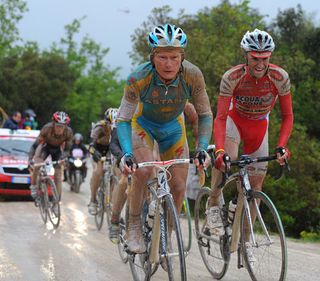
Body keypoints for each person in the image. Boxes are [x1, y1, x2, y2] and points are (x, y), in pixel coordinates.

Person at [117, 23, 213, 253]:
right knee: (143, 171)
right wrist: (128, 154)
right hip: (144, 126)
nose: (169, 63)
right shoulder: (137, 78)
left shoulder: (193, 75)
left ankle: (168, 233)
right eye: (162, 57)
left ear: (182, 57)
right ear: (153, 57)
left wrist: (201, 148)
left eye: (174, 57)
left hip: (173, 128)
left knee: (179, 185)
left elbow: (205, 114)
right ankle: (133, 226)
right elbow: (123, 119)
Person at [207, 29, 293, 265]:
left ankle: (246, 241)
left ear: (270, 56)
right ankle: (214, 200)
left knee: (255, 185)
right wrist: (220, 150)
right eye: (255, 58)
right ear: (246, 55)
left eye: (265, 58)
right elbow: (221, 118)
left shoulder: (280, 77)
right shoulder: (232, 77)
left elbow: (287, 116)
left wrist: (282, 146)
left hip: (259, 127)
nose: (260, 63)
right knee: (228, 158)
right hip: (235, 122)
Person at [29, 111, 73, 200]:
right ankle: (33, 186)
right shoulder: (47, 128)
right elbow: (35, 145)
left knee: (58, 175)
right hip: (45, 147)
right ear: (53, 124)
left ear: (65, 126)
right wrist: (30, 159)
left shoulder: (68, 132)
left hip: (57, 150)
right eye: (57, 126)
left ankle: (57, 199)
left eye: (62, 127)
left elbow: (67, 149)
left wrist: (63, 157)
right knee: (37, 166)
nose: (59, 129)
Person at [87, 109, 114, 215]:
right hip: (97, 149)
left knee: (117, 172)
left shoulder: (119, 127)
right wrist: (95, 154)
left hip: (110, 149)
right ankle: (93, 200)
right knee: (98, 171)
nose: (112, 126)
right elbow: (91, 144)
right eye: (109, 123)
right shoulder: (100, 127)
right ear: (105, 121)